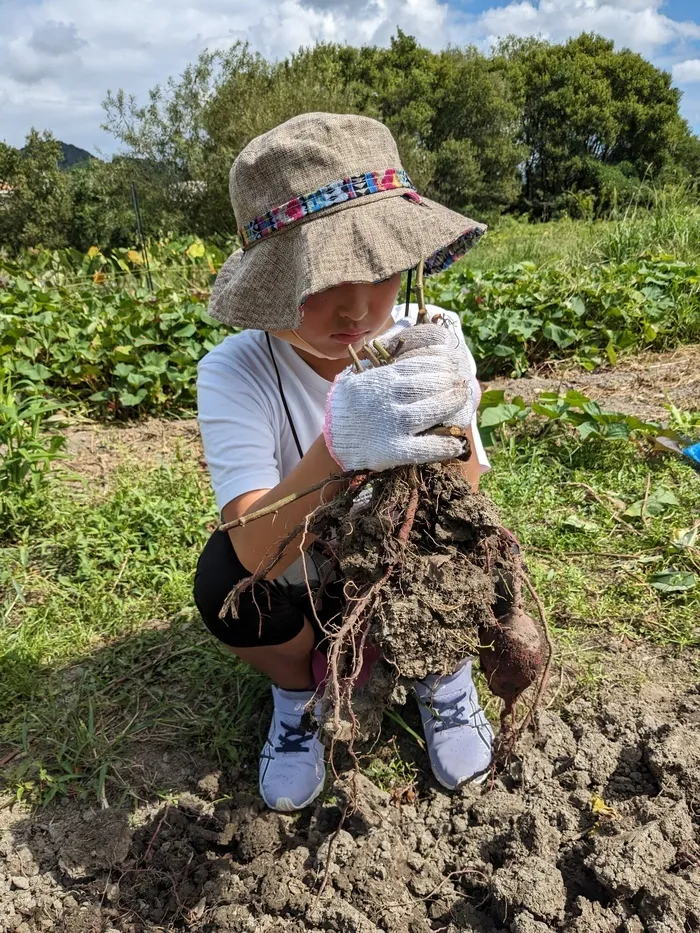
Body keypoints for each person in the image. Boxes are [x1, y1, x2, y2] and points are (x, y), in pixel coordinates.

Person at [194, 112, 495, 813]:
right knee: (221, 583)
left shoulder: (431, 334)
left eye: (380, 268)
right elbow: (251, 540)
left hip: (402, 562)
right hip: (303, 574)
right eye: (321, 277)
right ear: (267, 285)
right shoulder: (235, 371)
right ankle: (305, 690)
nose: (357, 305)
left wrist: (450, 410)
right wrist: (339, 445)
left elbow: (465, 491)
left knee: (473, 543)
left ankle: (437, 665)